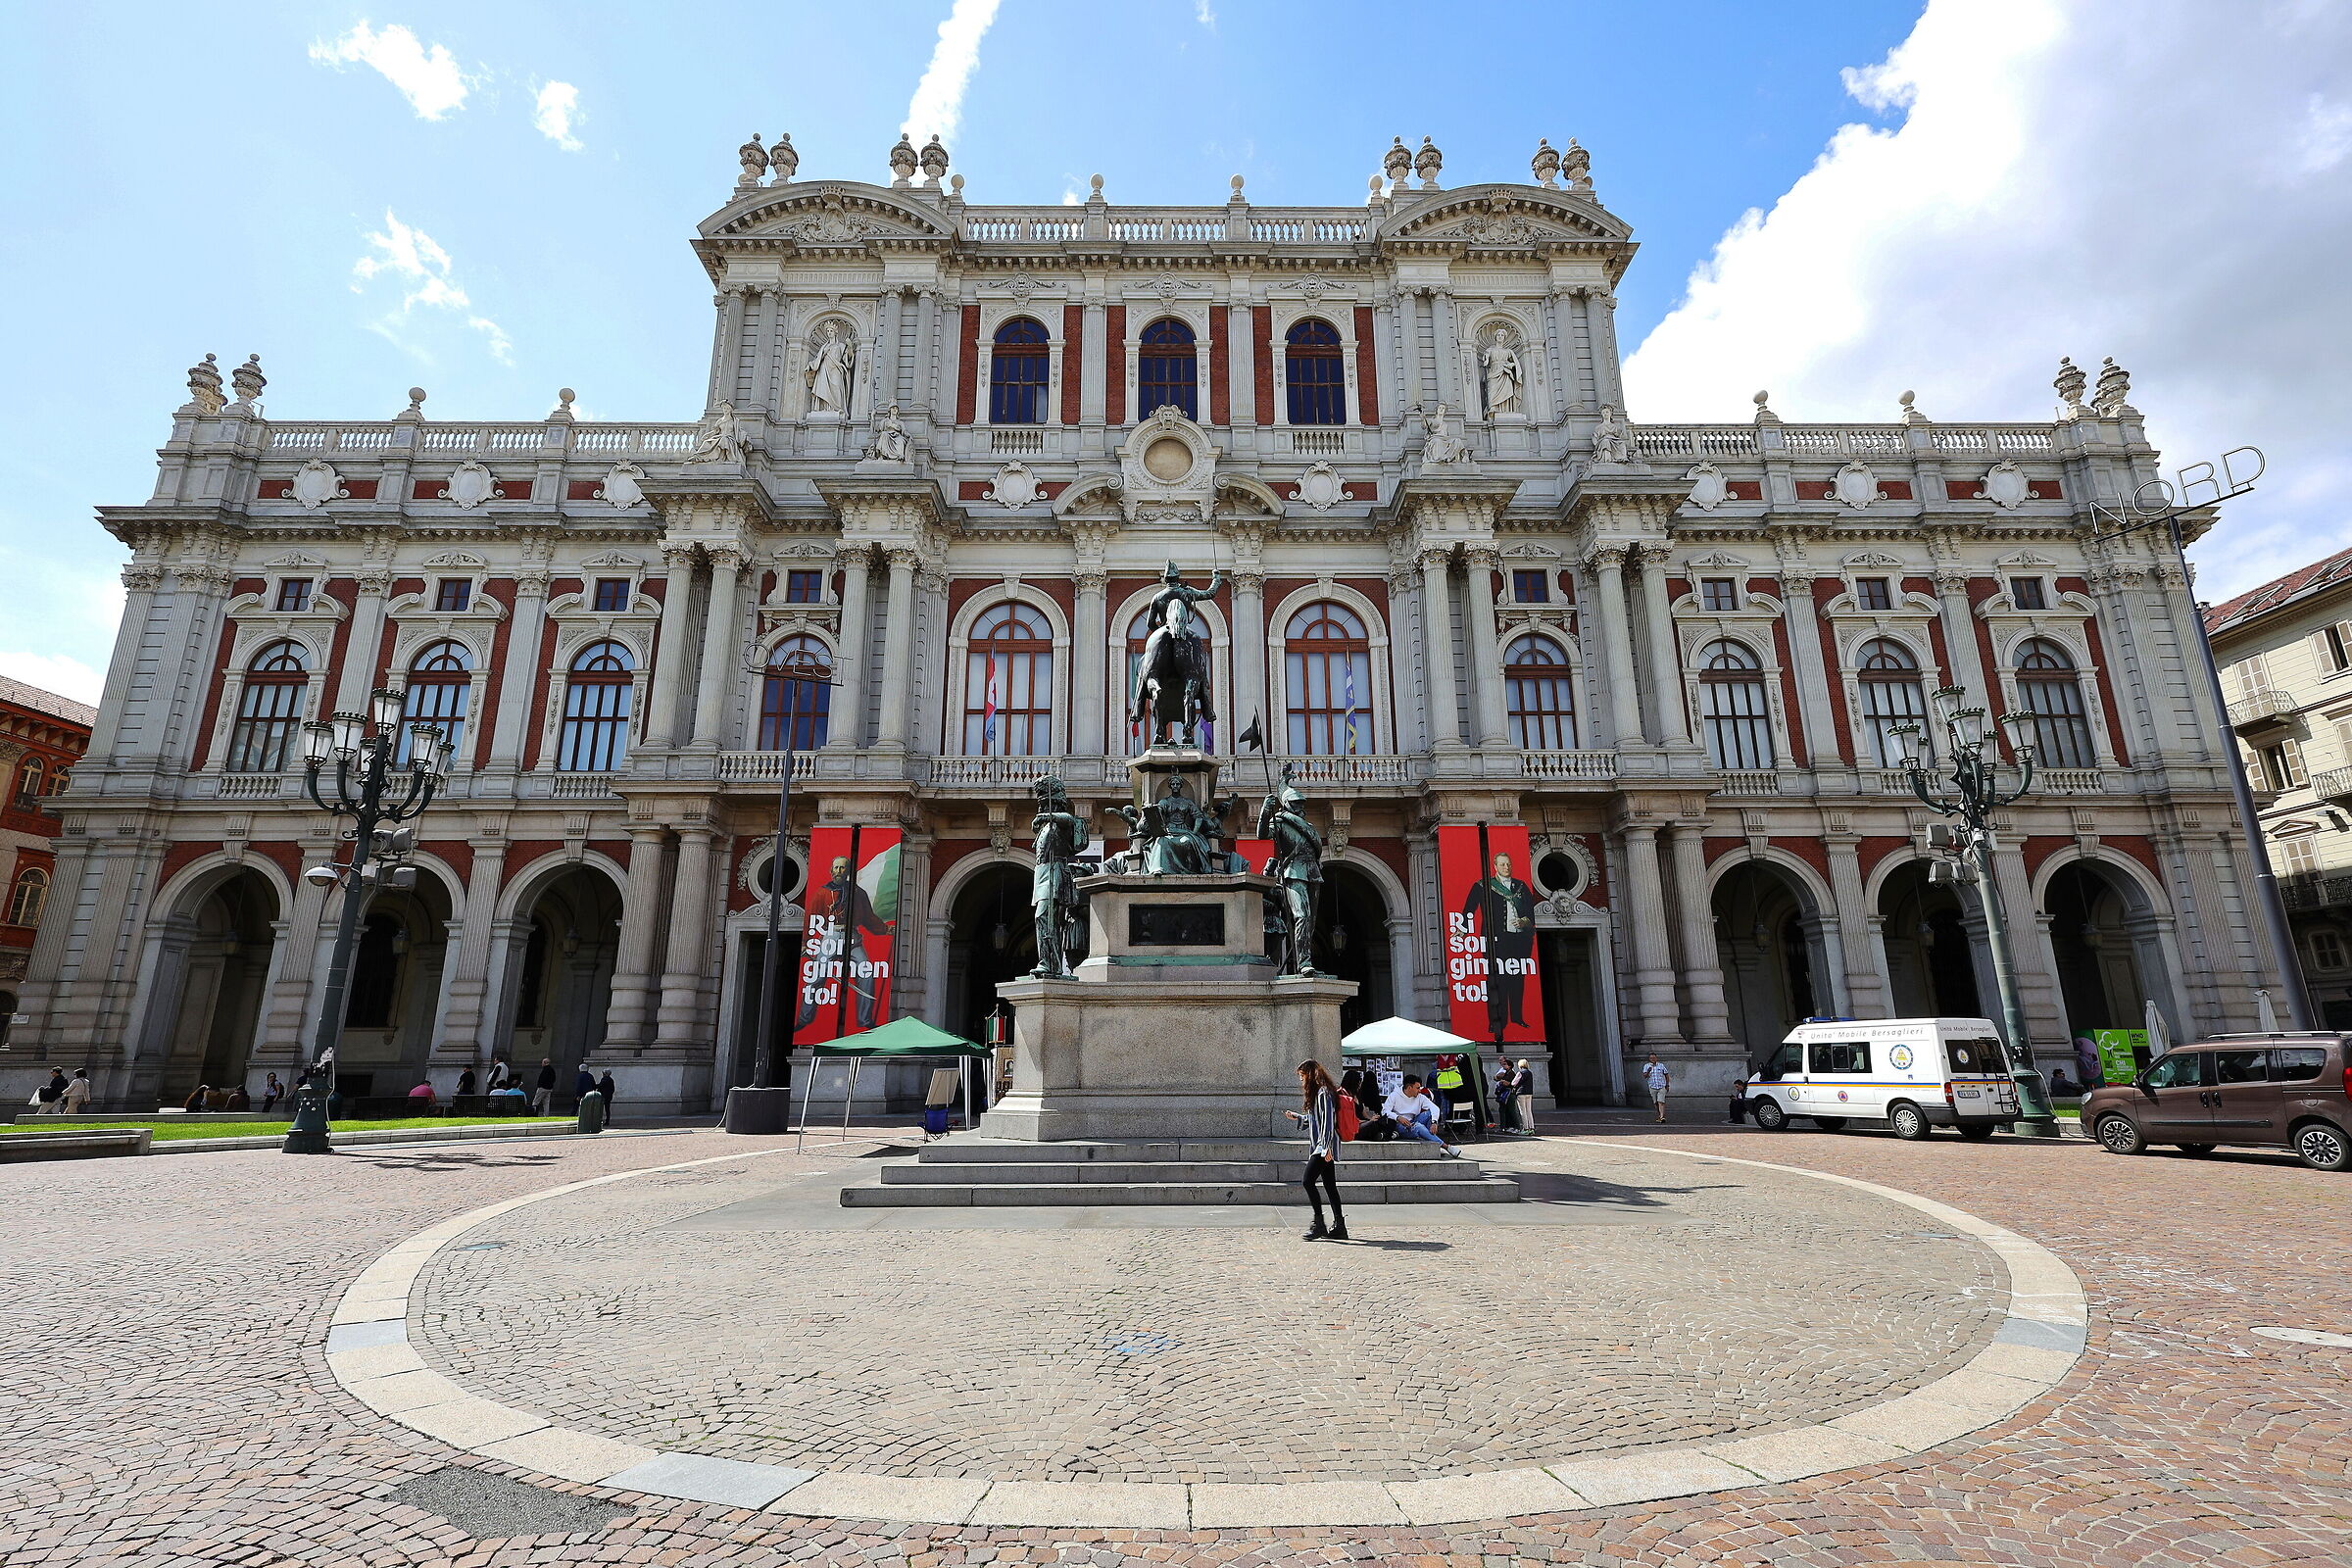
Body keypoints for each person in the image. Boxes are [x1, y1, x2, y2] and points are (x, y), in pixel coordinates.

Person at [1459, 851, 1539, 1036]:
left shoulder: (1521, 886)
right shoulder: (1483, 886)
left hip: (1520, 940)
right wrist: (1462, 929)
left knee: (1518, 978)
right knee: (1496, 981)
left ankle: (1517, 1017)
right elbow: (1469, 909)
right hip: (1495, 941)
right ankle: (1497, 1021)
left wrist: (1524, 921)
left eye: (1508, 864)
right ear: (1495, 867)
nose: (1506, 868)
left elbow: (1531, 912)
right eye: (1502, 864)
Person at [1285, 1060, 1349, 1241]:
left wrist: (1326, 1146)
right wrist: (1298, 1117)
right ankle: (1339, 1226)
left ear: (1310, 1075)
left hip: (1323, 1147)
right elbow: (1315, 1119)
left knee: (1307, 1180)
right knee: (1330, 1186)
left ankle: (1319, 1224)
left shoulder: (1323, 1093)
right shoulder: (1319, 1093)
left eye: (1302, 1076)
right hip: (1321, 1145)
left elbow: (1328, 1121)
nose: (1301, 1080)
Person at [1383, 1075, 1459, 1157]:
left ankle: (1433, 1143)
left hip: (1413, 1121)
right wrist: (1398, 1117)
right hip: (1400, 1126)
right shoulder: (1394, 1096)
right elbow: (1384, 1111)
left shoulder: (1420, 1097)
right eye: (1417, 1088)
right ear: (1409, 1088)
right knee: (1418, 1126)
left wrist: (1434, 1122)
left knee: (1429, 1114)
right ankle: (1445, 1146)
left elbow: (1434, 1108)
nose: (1420, 1090)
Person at [1642, 1054, 1671, 1123]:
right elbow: (1645, 1076)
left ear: (1656, 1058)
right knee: (1656, 1103)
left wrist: (1667, 1085)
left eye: (1654, 1058)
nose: (1653, 1059)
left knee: (1661, 1101)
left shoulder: (1661, 1065)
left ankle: (1662, 1117)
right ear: (1649, 1059)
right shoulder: (1646, 1066)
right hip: (1652, 1086)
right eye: (1651, 1058)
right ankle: (1659, 1115)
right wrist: (1648, 1071)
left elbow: (1666, 1075)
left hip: (1661, 1086)